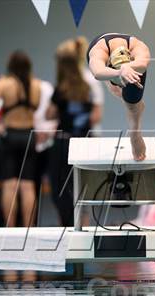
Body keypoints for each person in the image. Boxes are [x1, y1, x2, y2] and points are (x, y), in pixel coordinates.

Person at [47, 37, 104, 227]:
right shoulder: (88, 82)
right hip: (82, 140)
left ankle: (68, 227)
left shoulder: (74, 84)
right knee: (80, 188)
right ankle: (82, 229)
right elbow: (96, 115)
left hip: (71, 141)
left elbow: (50, 114)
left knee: (63, 189)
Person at [0, 51, 40, 229]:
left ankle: (10, 228)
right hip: (29, 135)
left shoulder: (4, 84)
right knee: (28, 185)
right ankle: (29, 228)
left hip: (9, 136)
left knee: (9, 185)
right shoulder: (36, 85)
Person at [87, 33, 151, 161]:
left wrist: (127, 67)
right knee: (116, 90)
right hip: (108, 61)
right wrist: (119, 72)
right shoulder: (98, 51)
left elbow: (143, 64)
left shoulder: (138, 47)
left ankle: (135, 131)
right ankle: (119, 86)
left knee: (132, 103)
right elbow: (98, 72)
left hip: (132, 66)